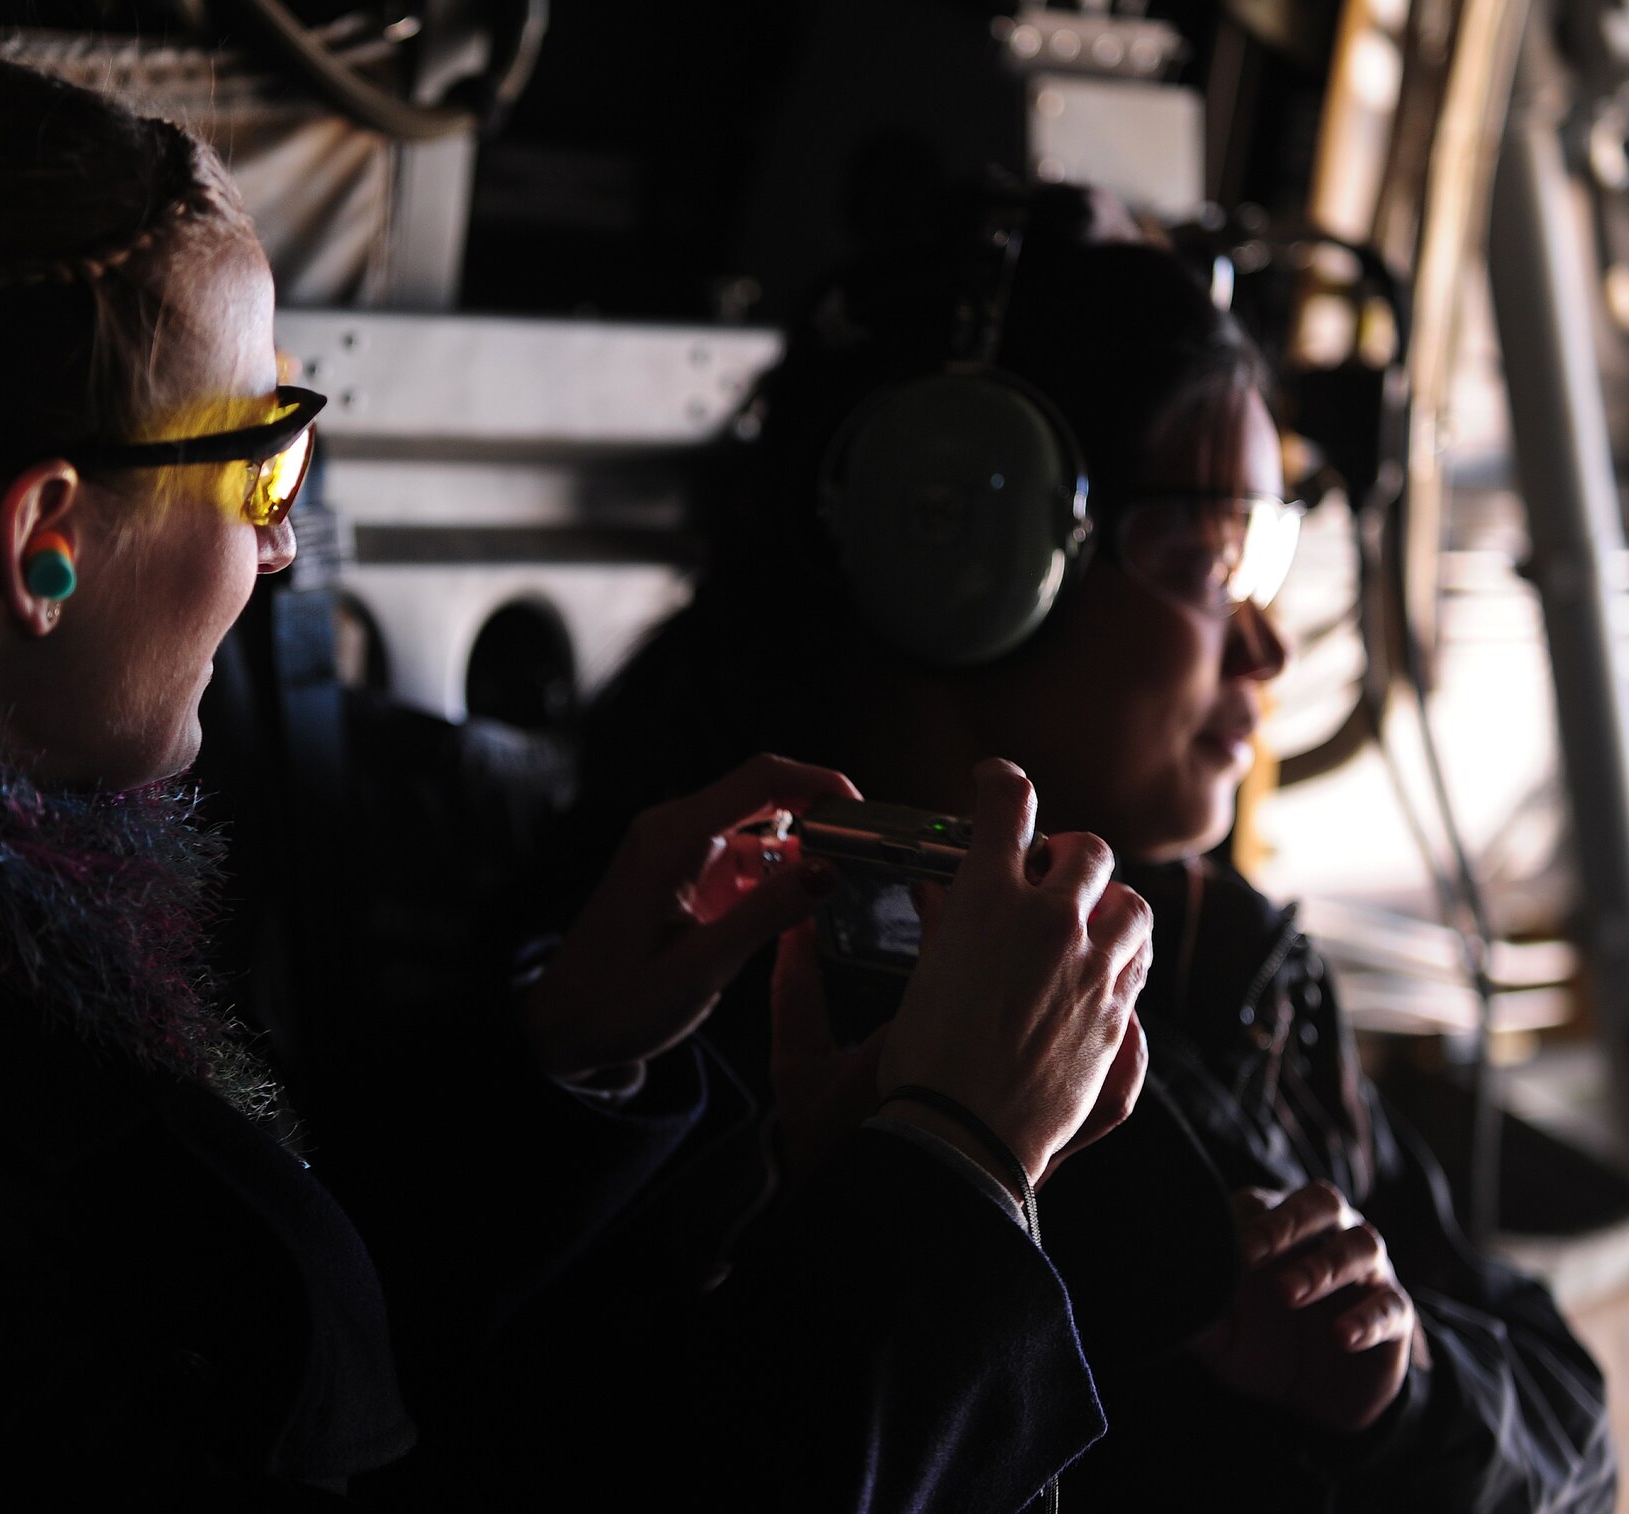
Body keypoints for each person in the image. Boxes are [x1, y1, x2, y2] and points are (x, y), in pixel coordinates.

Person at [0, 48, 1154, 1509]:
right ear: (49, 536)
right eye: (262, 464)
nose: (282, 540)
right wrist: (951, 1171)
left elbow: (252, 1343)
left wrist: (567, 1044)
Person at [572, 186, 1617, 1510]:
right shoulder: (679, 1016)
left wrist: (1397, 1393)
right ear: (959, 553)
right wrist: (951, 1159)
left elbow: (1574, 1422)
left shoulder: (1218, 952)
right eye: (1208, 558)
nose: (1266, 646)